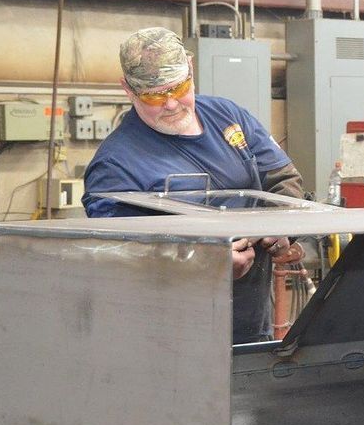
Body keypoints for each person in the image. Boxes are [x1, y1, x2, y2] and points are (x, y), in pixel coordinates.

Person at [82, 27, 305, 343]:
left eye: (179, 87)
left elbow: (283, 180)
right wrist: (206, 264)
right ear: (128, 90)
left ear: (190, 68)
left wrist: (281, 229)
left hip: (250, 323)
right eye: (154, 95)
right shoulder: (115, 165)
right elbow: (119, 256)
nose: (171, 104)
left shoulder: (227, 115)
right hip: (169, 338)